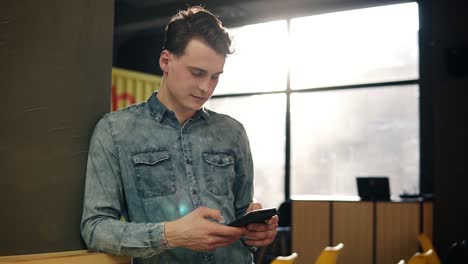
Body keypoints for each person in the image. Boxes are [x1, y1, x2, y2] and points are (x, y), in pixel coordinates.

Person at [80, 6, 278, 264]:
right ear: (165, 61)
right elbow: (95, 229)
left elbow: (242, 214)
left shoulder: (233, 132)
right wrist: (170, 235)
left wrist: (257, 231)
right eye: (196, 73)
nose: (206, 87)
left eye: (215, 77)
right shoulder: (115, 131)